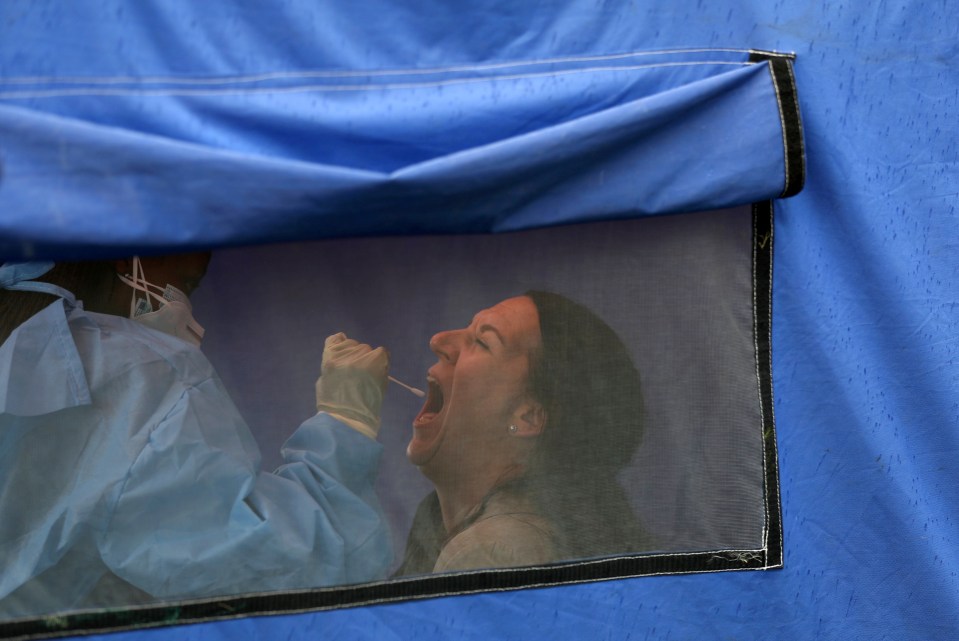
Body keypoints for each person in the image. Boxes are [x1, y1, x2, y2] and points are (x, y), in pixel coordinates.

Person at [0, 256, 392, 618]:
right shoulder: (129, 375)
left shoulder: (23, 347)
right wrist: (347, 422)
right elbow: (280, 569)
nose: (188, 308)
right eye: (188, 282)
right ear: (125, 255)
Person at [395, 291, 650, 575]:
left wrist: (348, 437)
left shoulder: (494, 552)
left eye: (482, 341)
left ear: (527, 417)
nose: (439, 340)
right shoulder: (452, 532)